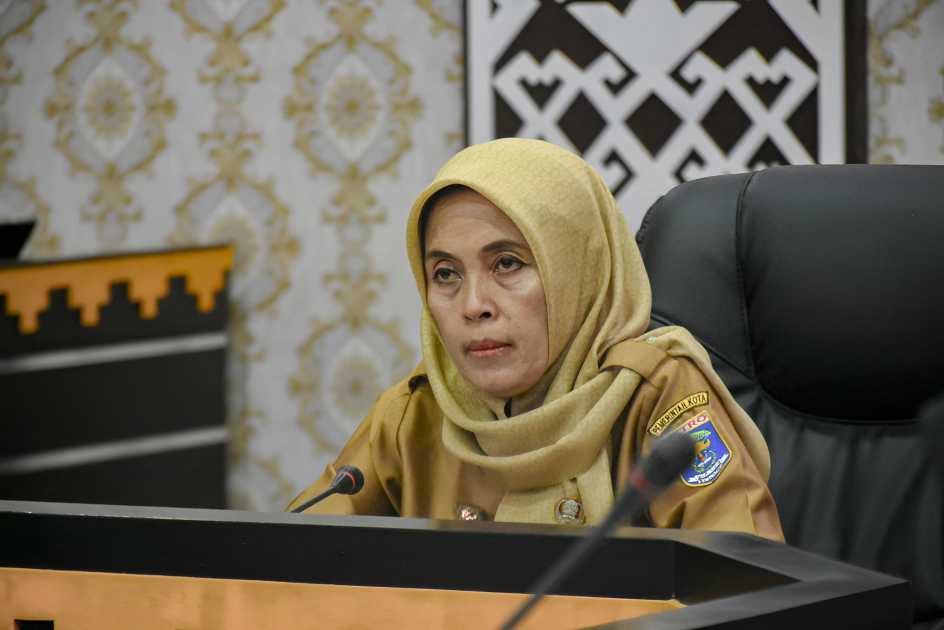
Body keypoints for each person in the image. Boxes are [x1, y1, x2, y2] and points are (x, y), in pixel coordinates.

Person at [288, 138, 783, 540]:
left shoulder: (656, 397)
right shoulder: (417, 414)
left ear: (577, 272)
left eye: (507, 263)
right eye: (445, 274)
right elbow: (291, 560)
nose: (473, 305)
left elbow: (742, 587)